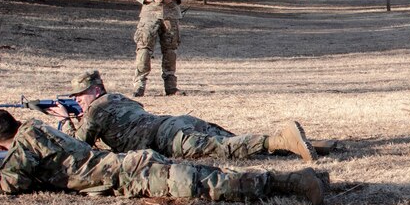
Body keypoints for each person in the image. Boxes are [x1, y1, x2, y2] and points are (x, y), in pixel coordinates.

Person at [0, 110, 327, 205]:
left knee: (209, 183)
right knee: (207, 173)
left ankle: (293, 183)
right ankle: (309, 180)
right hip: (133, 163)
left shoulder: (23, 145)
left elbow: (13, 181)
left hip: (128, 175)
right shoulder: (37, 129)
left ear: (0, 144)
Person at [44, 70, 315, 163]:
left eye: (80, 94)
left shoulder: (95, 111)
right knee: (231, 139)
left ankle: (282, 140)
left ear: (94, 90)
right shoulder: (116, 98)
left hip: (167, 137)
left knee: (224, 148)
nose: (78, 99)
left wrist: (68, 119)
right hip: (176, 122)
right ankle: (295, 146)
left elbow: (80, 146)